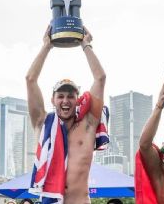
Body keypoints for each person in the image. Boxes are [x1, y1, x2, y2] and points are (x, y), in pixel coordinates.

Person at [26, 25, 107, 204]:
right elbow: (30, 79)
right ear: (53, 100)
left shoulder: (89, 124)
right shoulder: (43, 123)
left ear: (77, 100)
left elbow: (100, 78)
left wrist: (86, 45)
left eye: (71, 96)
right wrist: (46, 46)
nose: (65, 101)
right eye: (60, 96)